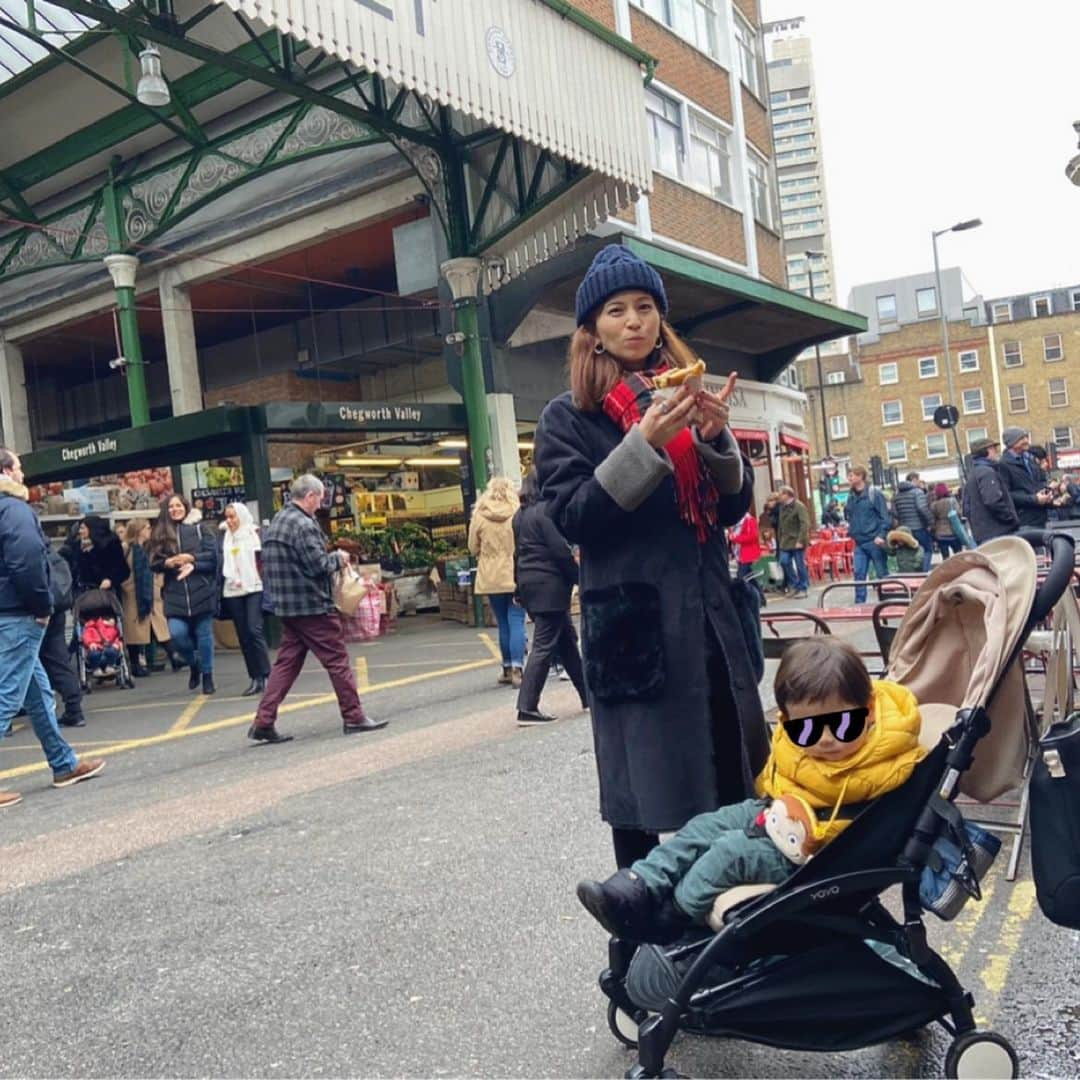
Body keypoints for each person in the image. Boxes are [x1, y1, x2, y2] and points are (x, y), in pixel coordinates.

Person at [534, 243, 769, 870]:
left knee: (733, 781)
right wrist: (643, 444)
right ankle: (638, 936)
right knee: (643, 798)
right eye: (616, 310)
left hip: (710, 618)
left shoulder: (684, 398)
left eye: (645, 307)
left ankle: (731, 911)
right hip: (637, 628)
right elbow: (572, 516)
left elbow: (728, 510)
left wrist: (716, 440)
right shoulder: (568, 418)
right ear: (593, 332)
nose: (634, 321)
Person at [575, 637, 925, 942]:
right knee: (708, 826)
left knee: (731, 853)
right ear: (788, 722)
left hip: (820, 852)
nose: (827, 740)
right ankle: (640, 884)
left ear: (870, 711)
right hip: (785, 812)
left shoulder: (886, 759)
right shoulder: (809, 742)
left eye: (845, 724)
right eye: (807, 731)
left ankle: (672, 917)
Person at [0, 446, 105, 807]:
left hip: (6, 611)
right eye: (19, 467)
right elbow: (28, 558)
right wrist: (42, 604)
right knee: (6, 694)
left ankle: (63, 764)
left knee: (37, 692)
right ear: (7, 472)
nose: (23, 474)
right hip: (18, 613)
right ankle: (63, 764)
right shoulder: (13, 509)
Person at [248, 474, 387, 744]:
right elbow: (317, 565)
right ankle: (354, 716)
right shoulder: (303, 524)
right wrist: (339, 557)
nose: (320, 504)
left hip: (288, 607)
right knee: (337, 661)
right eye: (320, 498)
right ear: (309, 496)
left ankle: (264, 720)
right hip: (312, 605)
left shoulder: (277, 521)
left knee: (286, 664)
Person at [512, 470, 588, 725]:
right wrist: (580, 577)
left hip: (530, 584)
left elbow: (517, 554)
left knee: (566, 644)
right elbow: (559, 551)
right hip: (550, 586)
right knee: (543, 647)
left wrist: (517, 588)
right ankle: (527, 706)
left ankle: (589, 696)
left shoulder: (519, 517)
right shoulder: (546, 512)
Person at [148, 494, 220, 695]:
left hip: (201, 591)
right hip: (175, 593)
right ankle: (193, 663)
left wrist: (192, 560)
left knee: (204, 635)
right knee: (178, 635)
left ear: (186, 507)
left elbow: (213, 557)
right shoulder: (160, 533)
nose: (175, 509)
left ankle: (207, 676)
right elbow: (152, 563)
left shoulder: (200, 528)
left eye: (178, 505)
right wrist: (166, 563)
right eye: (171, 506)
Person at [467, 476, 525, 688]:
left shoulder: (480, 515)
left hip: (491, 575)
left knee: (502, 621)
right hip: (515, 572)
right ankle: (519, 669)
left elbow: (472, 547)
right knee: (516, 619)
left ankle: (507, 668)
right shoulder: (517, 512)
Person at [219, 502, 271, 697]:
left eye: (233, 516)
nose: (230, 521)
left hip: (254, 587)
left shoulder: (254, 533)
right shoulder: (224, 538)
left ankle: (266, 674)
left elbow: (263, 560)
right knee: (243, 635)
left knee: (254, 629)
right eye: (227, 517)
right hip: (233, 590)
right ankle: (255, 677)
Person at [844, 466, 891, 604]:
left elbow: (885, 517)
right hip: (859, 542)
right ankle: (859, 603)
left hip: (874, 540)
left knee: (881, 573)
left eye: (852, 475)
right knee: (859, 574)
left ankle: (888, 602)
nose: (849, 478)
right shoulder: (851, 496)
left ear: (860, 476)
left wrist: (881, 535)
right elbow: (850, 515)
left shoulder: (874, 493)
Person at [962, 437, 1019, 544]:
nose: (996, 452)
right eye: (994, 449)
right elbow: (993, 501)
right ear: (986, 451)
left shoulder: (974, 473)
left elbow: (966, 507)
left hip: (984, 533)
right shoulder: (987, 472)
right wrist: (1010, 518)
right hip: (997, 532)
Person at [120, 518, 155, 677]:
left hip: (140, 592)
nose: (150, 530)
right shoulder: (127, 548)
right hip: (131, 593)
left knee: (139, 628)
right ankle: (135, 663)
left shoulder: (143, 548)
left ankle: (140, 661)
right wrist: (128, 586)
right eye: (147, 527)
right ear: (139, 530)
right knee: (133, 630)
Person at [997, 427, 1052, 531]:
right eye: (1022, 438)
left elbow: (1039, 482)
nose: (1026, 440)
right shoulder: (1003, 464)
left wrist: (1047, 493)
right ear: (1012, 443)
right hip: (1024, 520)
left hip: (1041, 516)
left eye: (1026, 437)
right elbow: (1006, 494)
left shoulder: (1029, 459)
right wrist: (1035, 499)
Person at [71, 513, 130, 596]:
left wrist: (110, 580)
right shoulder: (77, 546)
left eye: (82, 528)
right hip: (83, 595)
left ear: (92, 529)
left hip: (107, 595)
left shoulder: (111, 544)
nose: (80, 531)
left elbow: (123, 570)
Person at [892, 472, 934, 572]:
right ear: (914, 480)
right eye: (918, 480)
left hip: (905, 530)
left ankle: (911, 576)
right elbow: (922, 508)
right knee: (927, 550)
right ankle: (923, 574)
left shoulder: (897, 495)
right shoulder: (917, 492)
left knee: (910, 553)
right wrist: (930, 522)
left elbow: (894, 513)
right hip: (919, 527)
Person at [775, 485, 810, 598]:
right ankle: (794, 585)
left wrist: (800, 540)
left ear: (787, 494)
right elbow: (781, 525)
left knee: (800, 565)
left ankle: (803, 588)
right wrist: (780, 539)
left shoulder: (799, 506)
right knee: (784, 561)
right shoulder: (782, 507)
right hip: (786, 541)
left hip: (797, 540)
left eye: (781, 494)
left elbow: (805, 524)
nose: (779, 496)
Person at [728, 509, 763, 598]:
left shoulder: (749, 520)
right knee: (751, 578)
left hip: (748, 554)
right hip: (740, 553)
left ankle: (745, 598)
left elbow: (753, 536)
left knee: (742, 577)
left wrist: (736, 538)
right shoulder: (736, 523)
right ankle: (760, 597)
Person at [929, 482, 963, 559]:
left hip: (941, 535)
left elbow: (932, 519)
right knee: (958, 556)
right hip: (954, 531)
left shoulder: (934, 505)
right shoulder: (952, 501)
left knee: (945, 558)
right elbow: (959, 513)